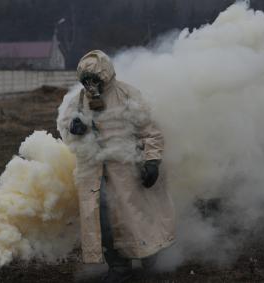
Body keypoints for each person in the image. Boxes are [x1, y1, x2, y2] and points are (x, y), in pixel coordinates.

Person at [57, 50, 175, 283]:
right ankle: (119, 268)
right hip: (94, 174)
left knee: (137, 217)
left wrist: (152, 161)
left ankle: (150, 262)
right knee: (105, 222)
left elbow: (151, 131)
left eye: (95, 80)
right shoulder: (79, 100)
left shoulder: (127, 94)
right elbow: (64, 126)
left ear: (106, 76)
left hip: (128, 172)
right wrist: (73, 128)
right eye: (86, 81)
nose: (91, 86)